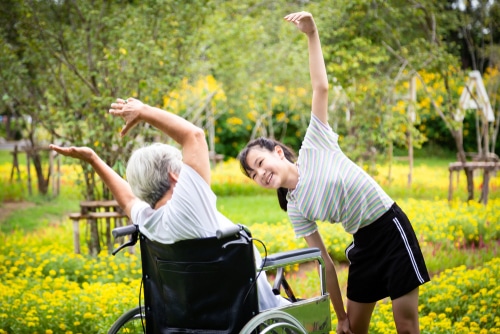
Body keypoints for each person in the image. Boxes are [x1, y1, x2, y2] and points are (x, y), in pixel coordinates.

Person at [238, 11, 430, 334]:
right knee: (352, 330)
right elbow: (325, 262)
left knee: (406, 326)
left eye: (260, 163)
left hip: (390, 228)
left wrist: (312, 35)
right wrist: (340, 316)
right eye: (254, 176)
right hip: (364, 243)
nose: (261, 174)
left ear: (278, 152)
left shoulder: (315, 145)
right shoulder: (296, 208)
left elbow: (321, 87)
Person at [49, 97, 290, 311]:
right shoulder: (190, 209)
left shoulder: (148, 222)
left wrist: (93, 159)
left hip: (196, 321)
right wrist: (142, 111)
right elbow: (193, 136)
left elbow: (128, 199)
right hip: (254, 314)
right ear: (176, 176)